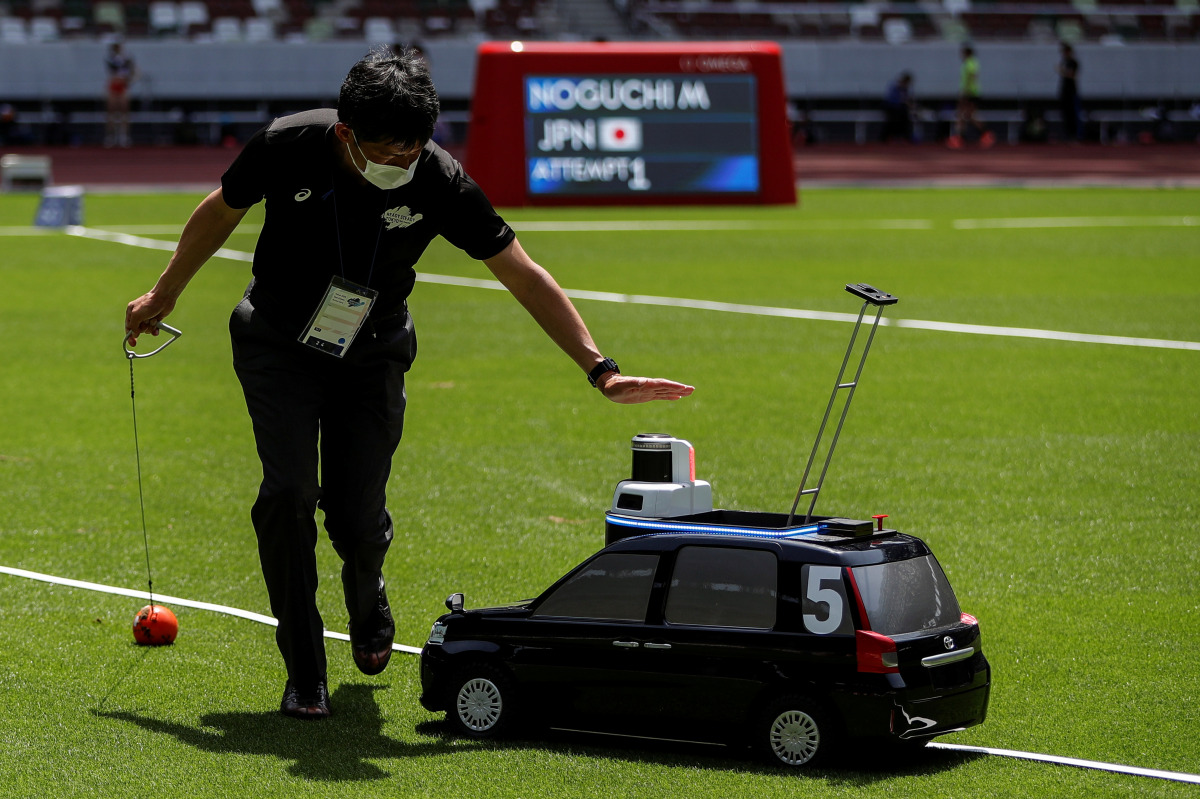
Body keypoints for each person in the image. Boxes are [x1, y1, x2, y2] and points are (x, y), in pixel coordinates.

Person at [124, 48, 694, 721]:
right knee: (287, 495)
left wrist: (601, 369)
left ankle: (368, 592)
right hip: (277, 342)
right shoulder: (287, 144)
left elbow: (521, 271)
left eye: (415, 149)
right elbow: (220, 210)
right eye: (388, 153)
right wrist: (165, 292)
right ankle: (304, 669)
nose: (402, 164)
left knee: (356, 516)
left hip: (372, 351)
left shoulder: (440, 182)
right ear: (346, 135)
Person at [948, 45, 994, 149]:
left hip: (970, 93)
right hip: (972, 92)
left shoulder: (969, 63)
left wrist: (964, 93)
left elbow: (970, 78)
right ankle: (985, 134)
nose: (961, 55)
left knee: (962, 114)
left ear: (967, 53)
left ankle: (960, 138)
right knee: (969, 115)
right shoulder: (973, 63)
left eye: (962, 53)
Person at [104, 41, 137, 148]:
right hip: (114, 84)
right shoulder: (110, 59)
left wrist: (129, 80)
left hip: (122, 85)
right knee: (111, 111)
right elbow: (111, 71)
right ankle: (111, 136)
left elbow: (133, 71)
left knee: (124, 111)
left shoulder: (127, 59)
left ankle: (124, 136)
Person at [880, 72, 915, 143]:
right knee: (893, 119)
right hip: (891, 107)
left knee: (904, 117)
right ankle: (887, 136)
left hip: (898, 109)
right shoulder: (896, 87)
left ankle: (903, 136)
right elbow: (895, 99)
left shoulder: (904, 89)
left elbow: (906, 99)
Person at [1057, 42, 1081, 142]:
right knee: (1065, 114)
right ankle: (1066, 135)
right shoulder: (1064, 62)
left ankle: (1074, 135)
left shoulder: (1073, 62)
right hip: (1064, 92)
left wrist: (1061, 71)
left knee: (1072, 114)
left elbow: (1071, 75)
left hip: (1071, 92)